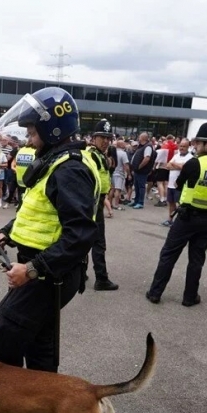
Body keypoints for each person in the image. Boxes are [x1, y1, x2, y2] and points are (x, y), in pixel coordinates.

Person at [0, 86, 100, 373]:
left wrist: (32, 269)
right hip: (47, 268)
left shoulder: (69, 170)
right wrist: (10, 230)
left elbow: (80, 235)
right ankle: (42, 405)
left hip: (49, 274)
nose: (30, 140)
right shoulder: (57, 161)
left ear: (54, 131)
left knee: (0, 341)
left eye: (34, 133)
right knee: (39, 341)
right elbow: (39, 210)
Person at [145, 123, 207, 306]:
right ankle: (189, 297)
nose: (195, 146)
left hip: (187, 217)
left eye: (198, 143)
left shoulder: (195, 163)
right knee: (197, 260)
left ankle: (155, 293)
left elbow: (181, 183)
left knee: (169, 255)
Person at [87, 119, 119, 291]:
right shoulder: (92, 154)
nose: (106, 141)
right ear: (94, 138)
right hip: (93, 203)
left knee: (85, 239)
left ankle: (81, 273)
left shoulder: (98, 154)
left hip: (96, 202)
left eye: (108, 138)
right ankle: (101, 278)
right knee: (98, 242)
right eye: (102, 137)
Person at [161, 138, 193, 227]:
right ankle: (170, 220)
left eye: (184, 146)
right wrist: (178, 166)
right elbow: (167, 166)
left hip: (180, 185)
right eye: (181, 146)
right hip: (171, 184)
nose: (182, 148)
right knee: (171, 202)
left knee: (180, 204)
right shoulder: (176, 155)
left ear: (188, 147)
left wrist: (174, 164)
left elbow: (184, 168)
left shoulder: (190, 157)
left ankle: (179, 222)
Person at [128, 132, 152, 209]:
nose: (138, 137)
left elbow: (147, 158)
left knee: (141, 187)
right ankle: (136, 201)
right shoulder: (141, 146)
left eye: (139, 136)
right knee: (137, 186)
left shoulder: (147, 147)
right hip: (137, 170)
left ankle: (140, 202)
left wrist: (139, 166)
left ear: (143, 138)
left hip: (141, 171)